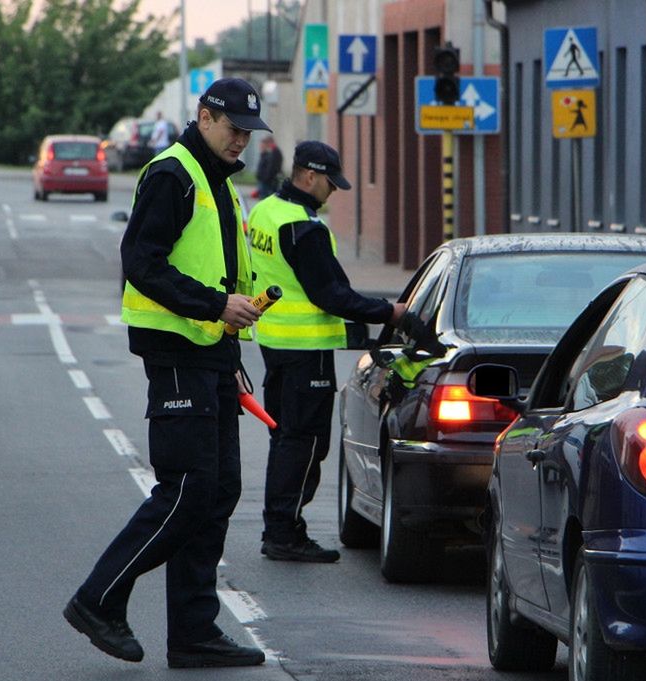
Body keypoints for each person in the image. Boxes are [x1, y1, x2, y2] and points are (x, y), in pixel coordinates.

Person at [63, 78, 270, 668]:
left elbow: (224, 278)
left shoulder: (219, 185)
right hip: (177, 355)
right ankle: (97, 599)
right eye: (233, 130)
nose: (241, 143)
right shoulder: (173, 174)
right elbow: (141, 265)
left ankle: (194, 632)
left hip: (209, 357)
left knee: (218, 490)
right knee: (187, 490)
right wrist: (213, 306)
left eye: (248, 134)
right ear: (204, 117)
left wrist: (229, 360)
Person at [247, 140, 434, 563]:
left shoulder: (265, 211)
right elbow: (331, 295)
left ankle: (281, 528)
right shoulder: (304, 228)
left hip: (276, 344)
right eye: (330, 183)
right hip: (306, 350)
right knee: (306, 444)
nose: (333, 191)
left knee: (286, 439)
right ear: (309, 176)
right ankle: (284, 533)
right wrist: (392, 312)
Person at [255, 135, 283, 199]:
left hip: (269, 180)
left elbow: (272, 167)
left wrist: (266, 178)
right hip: (267, 179)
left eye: (267, 143)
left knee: (265, 197)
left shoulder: (275, 151)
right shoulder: (272, 151)